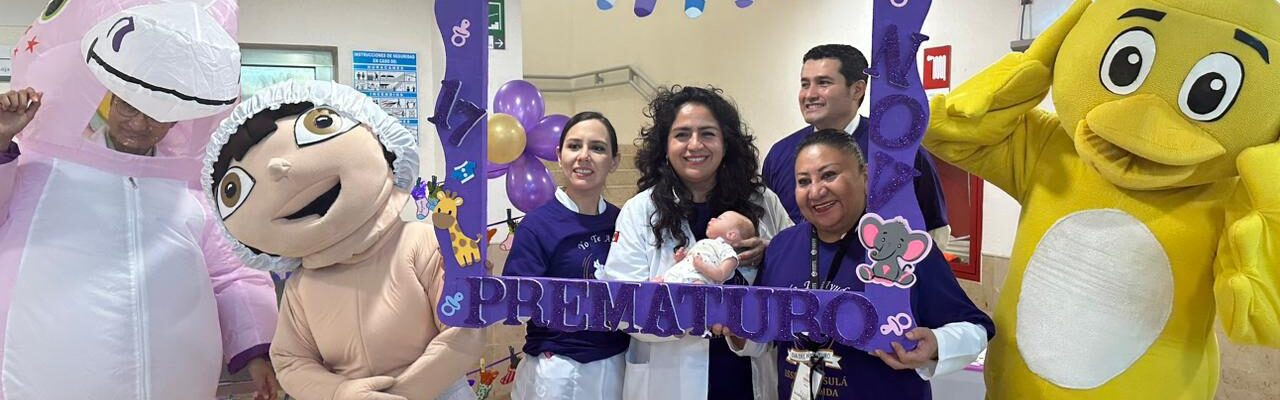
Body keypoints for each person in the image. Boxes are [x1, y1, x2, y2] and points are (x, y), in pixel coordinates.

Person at [0, 3, 279, 399]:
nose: (139, 124)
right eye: (129, 106)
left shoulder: (187, 188)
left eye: (157, 115)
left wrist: (257, 351)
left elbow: (233, 273)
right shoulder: (39, 169)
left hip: (176, 383)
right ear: (107, 100)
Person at [207, 80, 484, 400]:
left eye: (320, 124)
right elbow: (291, 361)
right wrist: (340, 392)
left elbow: (462, 330)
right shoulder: (302, 284)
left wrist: (404, 393)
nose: (278, 167)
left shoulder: (421, 243)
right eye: (233, 189)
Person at [727, 129, 993, 399]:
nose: (816, 191)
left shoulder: (899, 245)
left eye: (829, 175)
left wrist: (936, 345)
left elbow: (975, 328)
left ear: (865, 176)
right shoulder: (781, 247)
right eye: (804, 181)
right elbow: (764, 337)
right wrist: (736, 331)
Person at [598, 85, 793, 400]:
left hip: (745, 374)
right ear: (665, 146)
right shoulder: (640, 210)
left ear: (726, 143)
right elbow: (621, 305)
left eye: (707, 134)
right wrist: (698, 310)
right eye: (681, 134)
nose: (694, 145)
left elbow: (794, 275)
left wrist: (769, 251)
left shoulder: (763, 202)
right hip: (668, 379)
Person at [762, 44, 951, 246]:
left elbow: (934, 230)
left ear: (857, 89)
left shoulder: (900, 152)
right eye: (805, 84)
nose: (809, 95)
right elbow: (769, 227)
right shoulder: (780, 155)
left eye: (823, 83)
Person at [503, 111, 631, 400]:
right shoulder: (537, 225)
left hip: (618, 364)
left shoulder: (623, 222)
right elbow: (517, 303)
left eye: (597, 148)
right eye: (574, 146)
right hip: (556, 371)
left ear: (614, 161)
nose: (584, 156)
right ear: (560, 156)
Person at [660, 210, 754, 284]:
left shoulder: (729, 254)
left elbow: (721, 275)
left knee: (698, 287)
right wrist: (681, 259)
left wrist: (702, 266)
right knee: (658, 281)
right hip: (678, 276)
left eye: (719, 219)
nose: (712, 219)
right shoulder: (704, 243)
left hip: (697, 281)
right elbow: (690, 263)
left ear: (731, 235)